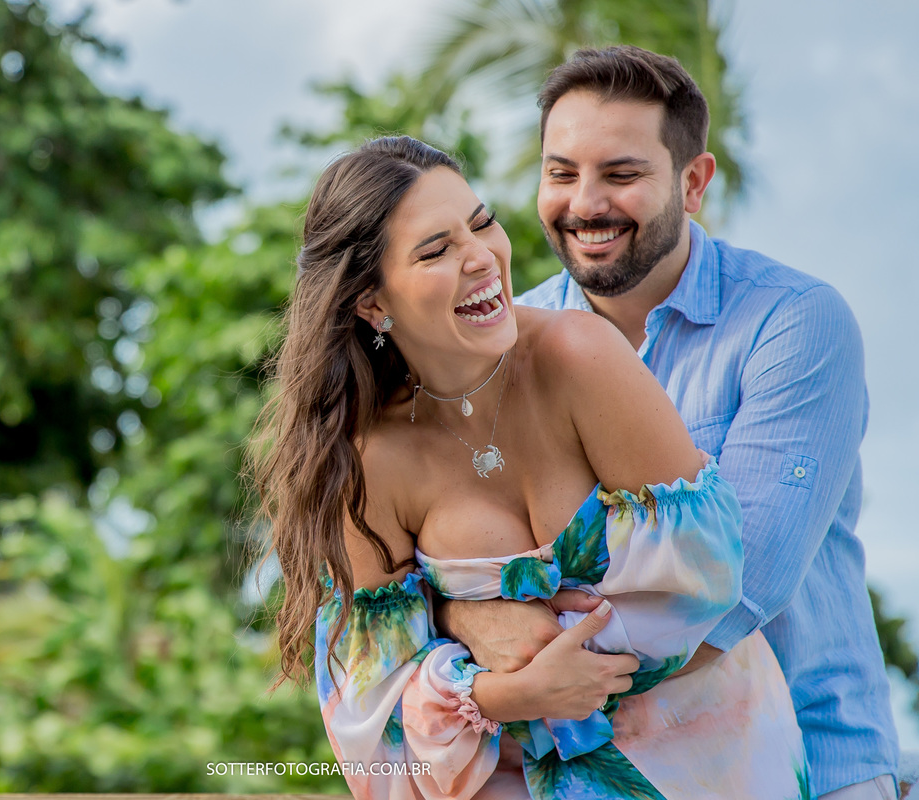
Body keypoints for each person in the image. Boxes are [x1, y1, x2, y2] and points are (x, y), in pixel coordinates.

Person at [253, 134, 808, 799]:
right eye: (436, 250)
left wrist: (477, 626)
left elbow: (707, 575)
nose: (481, 256)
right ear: (373, 303)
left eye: (481, 223)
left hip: (713, 760)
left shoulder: (580, 356)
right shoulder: (369, 464)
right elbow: (370, 724)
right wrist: (498, 691)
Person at [441, 45, 899, 799]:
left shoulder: (792, 324)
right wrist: (464, 613)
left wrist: (504, 653)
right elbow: (448, 554)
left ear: (693, 183)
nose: (584, 203)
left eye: (621, 174)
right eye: (560, 173)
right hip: (584, 775)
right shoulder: (502, 347)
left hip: (809, 770)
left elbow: (727, 598)